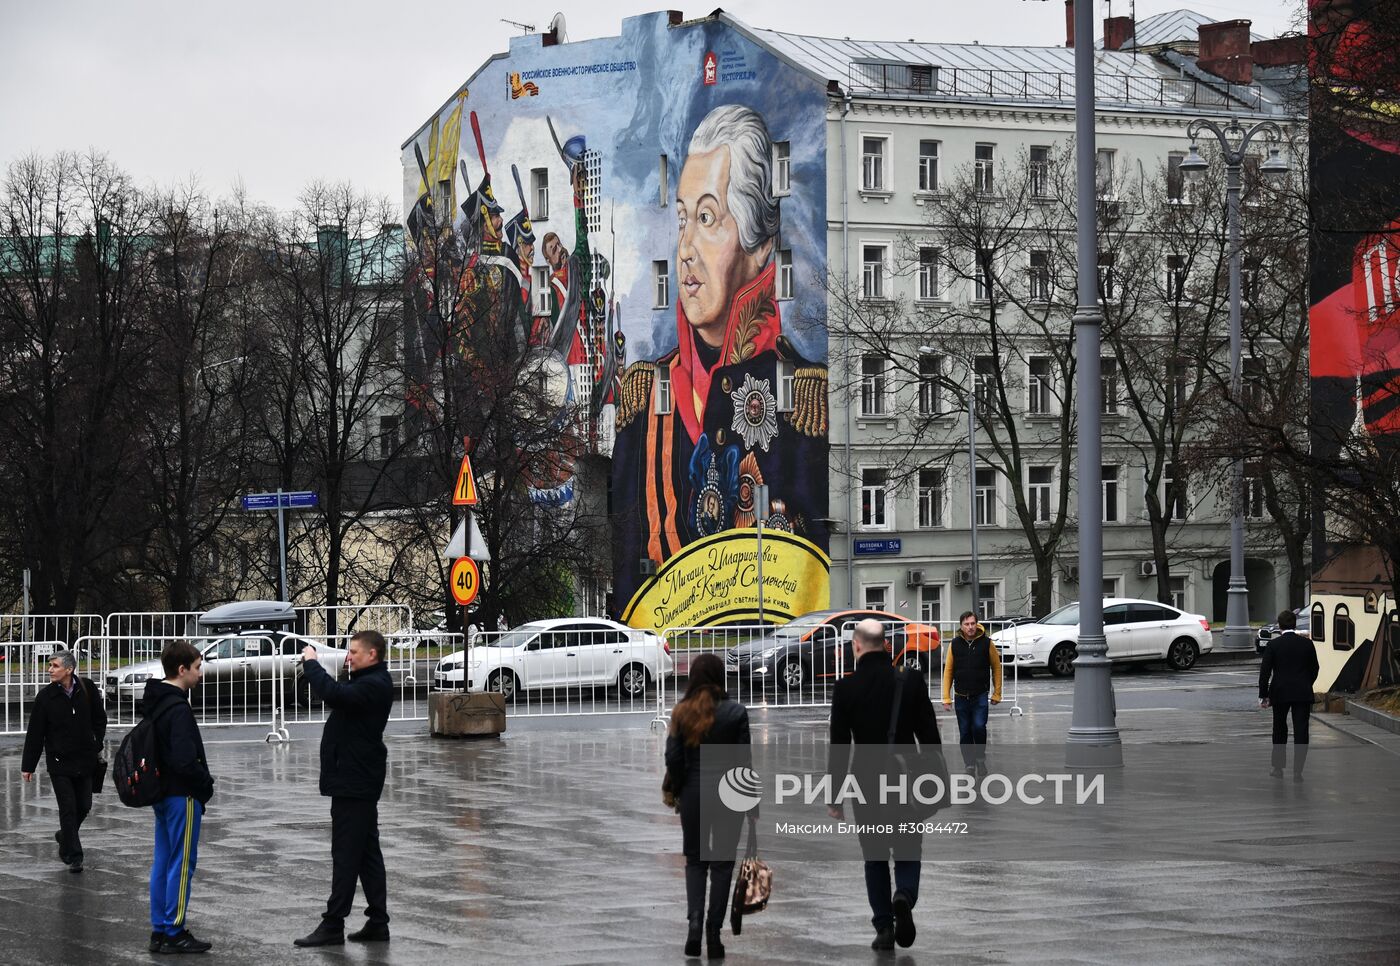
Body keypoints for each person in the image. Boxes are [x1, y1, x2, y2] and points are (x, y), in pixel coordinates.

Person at [612, 103, 828, 609]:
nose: (685, 246)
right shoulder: (644, 398)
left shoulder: (803, 399)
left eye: (707, 218)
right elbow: (625, 573)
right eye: (683, 218)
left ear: (757, 247)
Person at [828, 618, 941, 951]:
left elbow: (839, 747)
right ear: (887, 646)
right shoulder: (911, 682)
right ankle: (903, 895)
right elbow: (930, 738)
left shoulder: (845, 689)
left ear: (856, 646)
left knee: (874, 856)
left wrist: (835, 796)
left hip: (865, 782)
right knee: (908, 850)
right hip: (906, 779)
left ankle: (883, 928)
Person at [294, 630, 394, 947]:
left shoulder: (373, 685)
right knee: (366, 854)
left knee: (346, 854)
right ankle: (378, 922)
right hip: (355, 778)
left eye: (353, 651)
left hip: (355, 781)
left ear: (372, 655)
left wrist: (311, 664)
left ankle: (333, 924)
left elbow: (333, 694)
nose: (348, 656)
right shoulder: (367, 680)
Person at [664, 652, 752, 960]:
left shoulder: (682, 712)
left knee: (696, 861)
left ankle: (694, 926)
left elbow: (673, 758)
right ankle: (714, 933)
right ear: (719, 677)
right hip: (730, 795)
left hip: (694, 793)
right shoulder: (736, 712)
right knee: (723, 864)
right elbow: (744, 763)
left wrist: (679, 788)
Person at [143, 639, 216, 954]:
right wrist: (206, 784)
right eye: (198, 668)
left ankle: (160, 929)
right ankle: (175, 930)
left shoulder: (157, 702)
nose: (200, 674)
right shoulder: (179, 708)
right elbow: (185, 761)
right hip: (181, 795)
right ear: (182, 669)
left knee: (163, 861)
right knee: (182, 863)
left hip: (161, 793)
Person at [21, 650, 106, 874]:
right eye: (50, 665)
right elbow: (35, 733)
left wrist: (96, 742)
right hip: (60, 763)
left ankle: (65, 835)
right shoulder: (46, 697)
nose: (50, 670)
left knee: (84, 806)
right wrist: (28, 766)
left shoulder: (86, 689)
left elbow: (100, 719)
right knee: (67, 808)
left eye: (55, 666)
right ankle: (73, 855)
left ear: (69, 670)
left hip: (85, 760)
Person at [1259, 609, 1319, 780]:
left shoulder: (1274, 645)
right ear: (1295, 624)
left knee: (1279, 729)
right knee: (1301, 730)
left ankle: (1278, 768)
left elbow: (1265, 673)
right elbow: (1315, 668)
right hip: (1302, 692)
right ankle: (1298, 771)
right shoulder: (1307, 644)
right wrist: (1307, 684)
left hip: (1280, 692)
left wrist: (1263, 695)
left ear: (1279, 626)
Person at [941, 611, 1003, 774]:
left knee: (979, 727)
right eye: (967, 624)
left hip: (980, 695)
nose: (970, 627)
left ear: (977, 624)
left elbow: (996, 667)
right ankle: (969, 763)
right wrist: (946, 697)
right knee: (965, 731)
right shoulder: (954, 644)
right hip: (961, 696)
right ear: (961, 626)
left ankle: (980, 759)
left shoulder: (986, 643)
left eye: (973, 623)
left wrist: (997, 693)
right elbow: (948, 670)